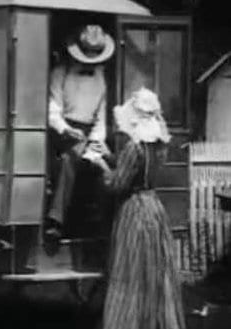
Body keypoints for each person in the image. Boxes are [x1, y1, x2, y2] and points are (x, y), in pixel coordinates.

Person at [93, 88, 186, 329]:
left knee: (131, 272)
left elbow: (117, 183)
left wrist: (101, 163)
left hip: (134, 211)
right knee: (153, 272)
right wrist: (112, 157)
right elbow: (138, 172)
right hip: (153, 208)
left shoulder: (133, 148)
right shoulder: (159, 148)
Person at [45, 25, 114, 243]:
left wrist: (95, 141)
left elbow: (102, 118)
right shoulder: (60, 73)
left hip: (89, 133)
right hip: (60, 132)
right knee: (70, 158)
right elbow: (52, 110)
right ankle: (56, 220)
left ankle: (101, 224)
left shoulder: (102, 78)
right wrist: (66, 129)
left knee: (105, 163)